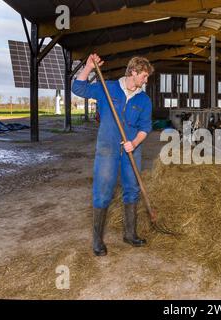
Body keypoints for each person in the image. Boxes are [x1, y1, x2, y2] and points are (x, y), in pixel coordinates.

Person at [72, 53, 154, 256]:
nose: (146, 80)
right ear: (133, 72)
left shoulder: (144, 99)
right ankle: (97, 241)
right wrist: (89, 67)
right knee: (103, 191)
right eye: (144, 76)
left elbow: (145, 127)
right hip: (107, 148)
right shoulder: (108, 88)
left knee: (132, 189)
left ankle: (130, 234)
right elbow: (78, 88)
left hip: (131, 151)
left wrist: (133, 143)